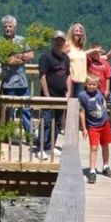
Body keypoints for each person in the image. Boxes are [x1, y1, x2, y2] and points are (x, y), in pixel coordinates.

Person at [0, 15, 34, 146]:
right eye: (6, 26)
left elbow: (31, 55)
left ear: (15, 27)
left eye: (10, 26)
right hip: (8, 83)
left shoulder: (21, 40)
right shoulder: (0, 42)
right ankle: (9, 136)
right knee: (9, 111)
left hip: (22, 82)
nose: (8, 28)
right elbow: (5, 60)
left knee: (26, 109)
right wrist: (19, 58)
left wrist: (17, 57)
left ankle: (30, 136)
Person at [34, 31, 71, 161]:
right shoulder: (46, 57)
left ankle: (50, 146)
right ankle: (40, 148)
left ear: (64, 42)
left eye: (61, 40)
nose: (59, 42)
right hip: (48, 96)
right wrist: (47, 95)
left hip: (61, 96)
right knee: (46, 122)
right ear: (52, 41)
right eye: (57, 40)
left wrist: (68, 92)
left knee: (57, 123)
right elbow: (42, 77)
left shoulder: (66, 58)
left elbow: (68, 75)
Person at [75, 74, 111, 183]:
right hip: (92, 126)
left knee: (105, 145)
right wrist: (84, 128)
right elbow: (82, 112)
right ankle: (92, 171)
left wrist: (106, 112)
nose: (92, 86)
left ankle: (106, 166)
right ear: (85, 84)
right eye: (90, 84)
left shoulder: (98, 93)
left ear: (97, 85)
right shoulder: (82, 96)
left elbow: (103, 101)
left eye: (94, 84)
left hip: (104, 123)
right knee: (93, 147)